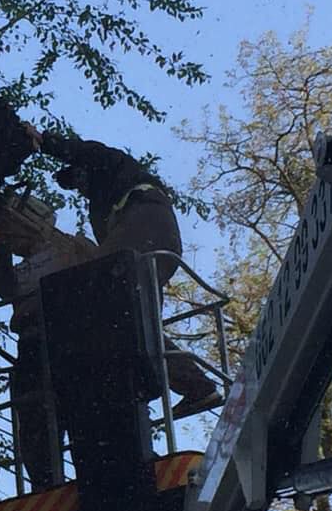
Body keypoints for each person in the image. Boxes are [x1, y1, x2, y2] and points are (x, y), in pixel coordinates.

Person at [34, 128, 222, 419]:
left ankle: (133, 386)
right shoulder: (105, 204)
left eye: (82, 179)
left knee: (96, 293)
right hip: (152, 240)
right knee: (134, 324)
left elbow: (87, 151)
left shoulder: (111, 164)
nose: (82, 188)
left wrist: (46, 142)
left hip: (145, 227)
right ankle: (191, 386)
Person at [0, 195, 99, 490]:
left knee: (84, 413)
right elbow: (6, 289)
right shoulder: (20, 268)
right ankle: (45, 483)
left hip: (76, 339)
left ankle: (97, 471)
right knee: (35, 419)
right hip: (33, 345)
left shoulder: (73, 246)